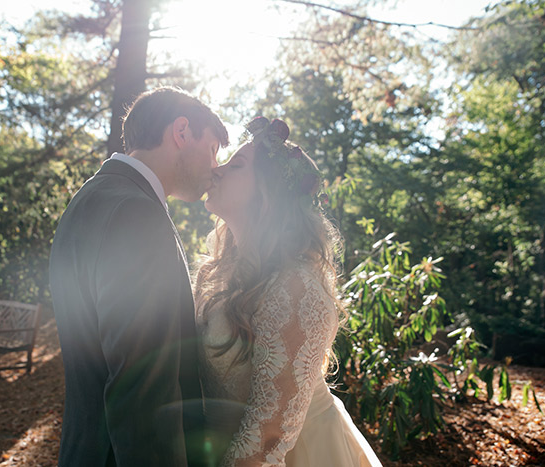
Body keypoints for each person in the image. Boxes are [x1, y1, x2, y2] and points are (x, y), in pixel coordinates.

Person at [49, 87, 229, 466]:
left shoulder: (91, 197)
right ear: (181, 132)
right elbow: (143, 391)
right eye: (213, 148)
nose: (216, 166)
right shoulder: (137, 214)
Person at [195, 116, 382, 466]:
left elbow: (269, 438)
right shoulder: (219, 270)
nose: (217, 170)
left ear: (268, 193)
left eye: (235, 165)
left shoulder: (297, 287)